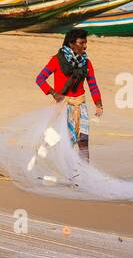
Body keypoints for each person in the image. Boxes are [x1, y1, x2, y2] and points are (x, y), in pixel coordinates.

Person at [36, 27, 104, 163]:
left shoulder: (86, 63)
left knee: (83, 141)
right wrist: (55, 94)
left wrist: (98, 104)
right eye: (81, 43)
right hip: (63, 107)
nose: (85, 46)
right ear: (71, 44)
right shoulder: (56, 60)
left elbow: (93, 84)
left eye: (86, 43)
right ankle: (67, 173)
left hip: (81, 107)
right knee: (67, 142)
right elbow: (40, 79)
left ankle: (83, 176)